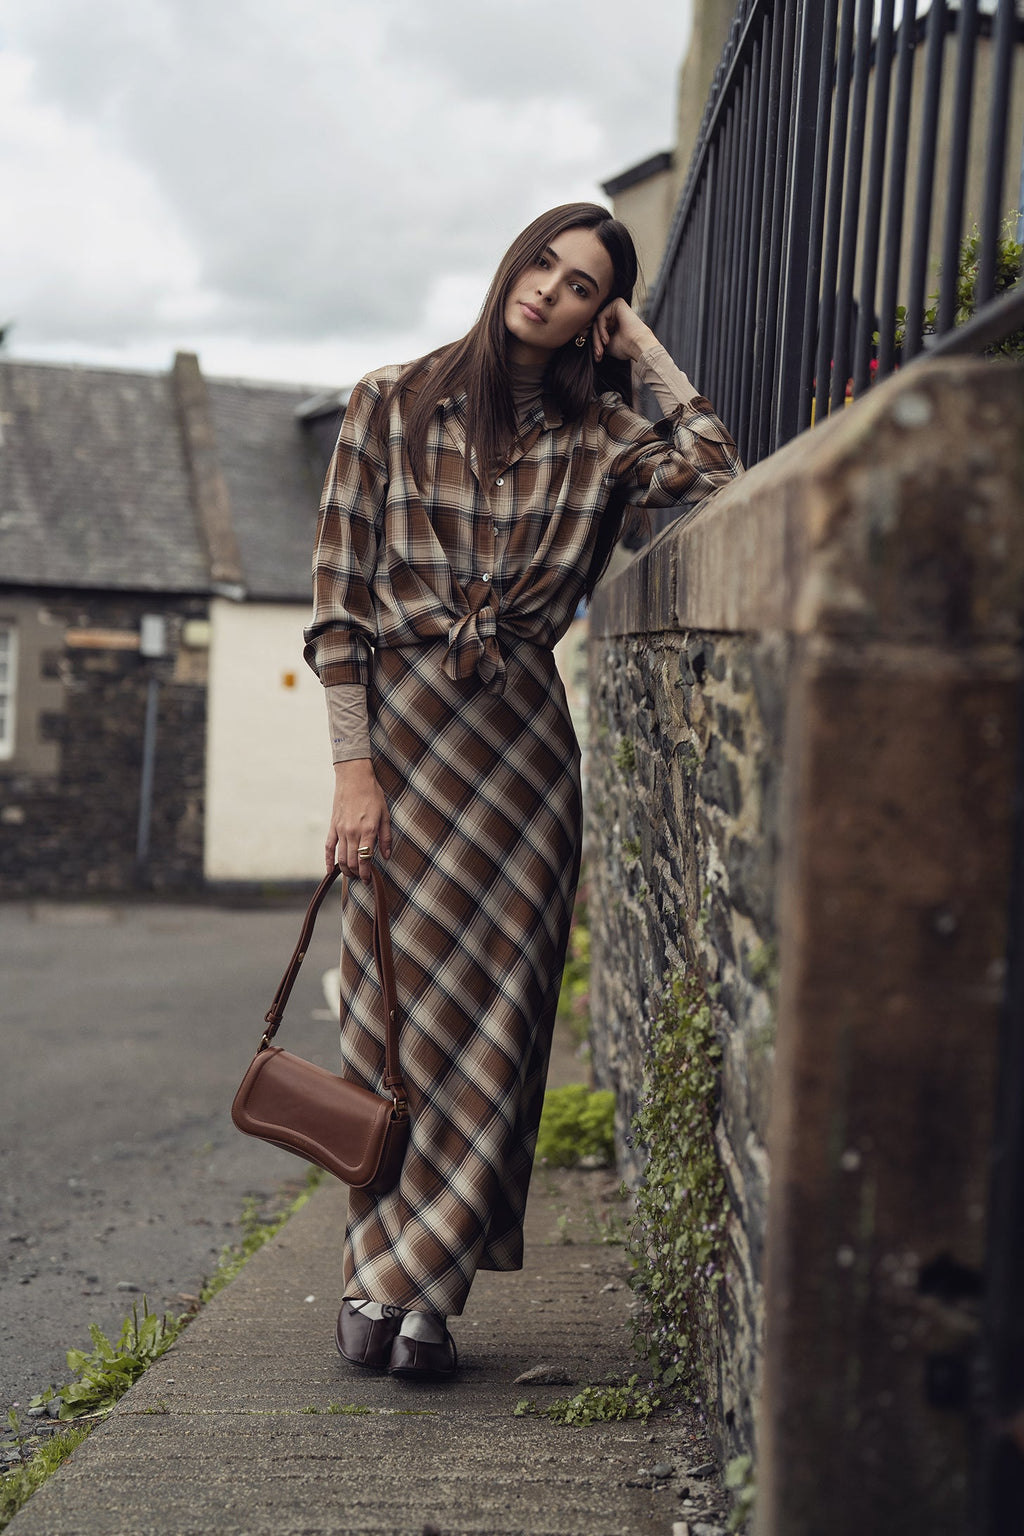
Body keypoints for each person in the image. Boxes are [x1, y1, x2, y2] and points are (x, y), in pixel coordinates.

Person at [302, 202, 741, 1381]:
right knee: (394, 1024)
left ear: (603, 314)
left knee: (498, 1027)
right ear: (513, 265)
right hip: (402, 745)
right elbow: (339, 608)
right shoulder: (388, 402)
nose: (551, 290)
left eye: (586, 285)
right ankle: (373, 1271)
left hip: (523, 762)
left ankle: (427, 1300)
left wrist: (643, 353)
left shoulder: (600, 432)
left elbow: (713, 467)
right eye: (544, 263)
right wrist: (354, 772)